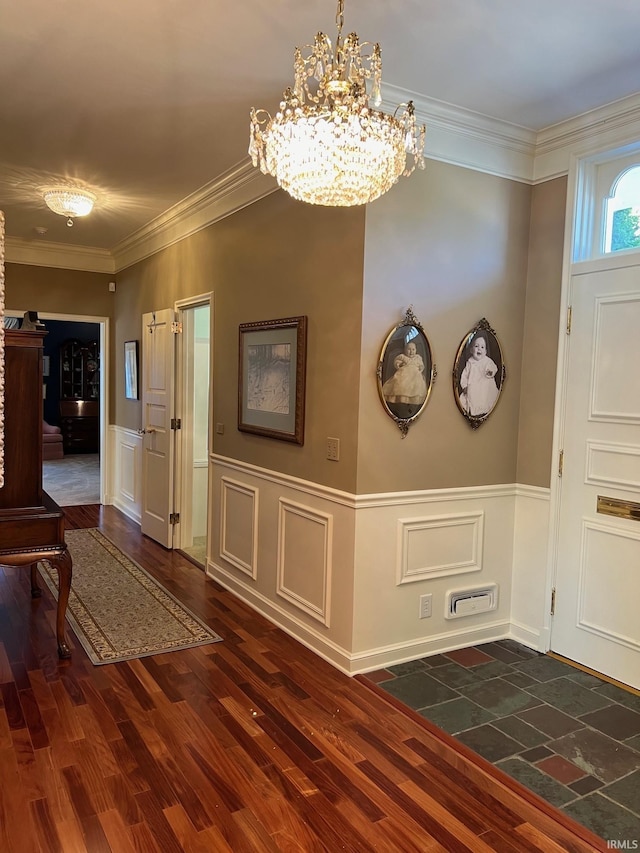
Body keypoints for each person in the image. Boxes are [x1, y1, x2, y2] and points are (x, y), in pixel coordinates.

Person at [459, 332, 500, 416]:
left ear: (485, 351)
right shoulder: (470, 362)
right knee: (472, 397)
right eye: (476, 346)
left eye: (482, 347)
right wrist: (464, 386)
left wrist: (490, 372)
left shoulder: (487, 361)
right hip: (473, 387)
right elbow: (464, 375)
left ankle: (484, 408)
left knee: (485, 395)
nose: (479, 349)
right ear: (471, 350)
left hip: (484, 386)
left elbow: (493, 367)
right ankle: (474, 409)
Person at [382, 340, 427, 406]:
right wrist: (398, 364)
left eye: (413, 349)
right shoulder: (402, 356)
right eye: (409, 349)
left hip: (415, 374)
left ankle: (413, 398)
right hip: (404, 373)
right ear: (405, 350)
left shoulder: (418, 358)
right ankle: (400, 398)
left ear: (416, 350)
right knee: (400, 383)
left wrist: (420, 368)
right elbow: (396, 362)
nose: (411, 351)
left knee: (416, 384)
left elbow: (421, 365)